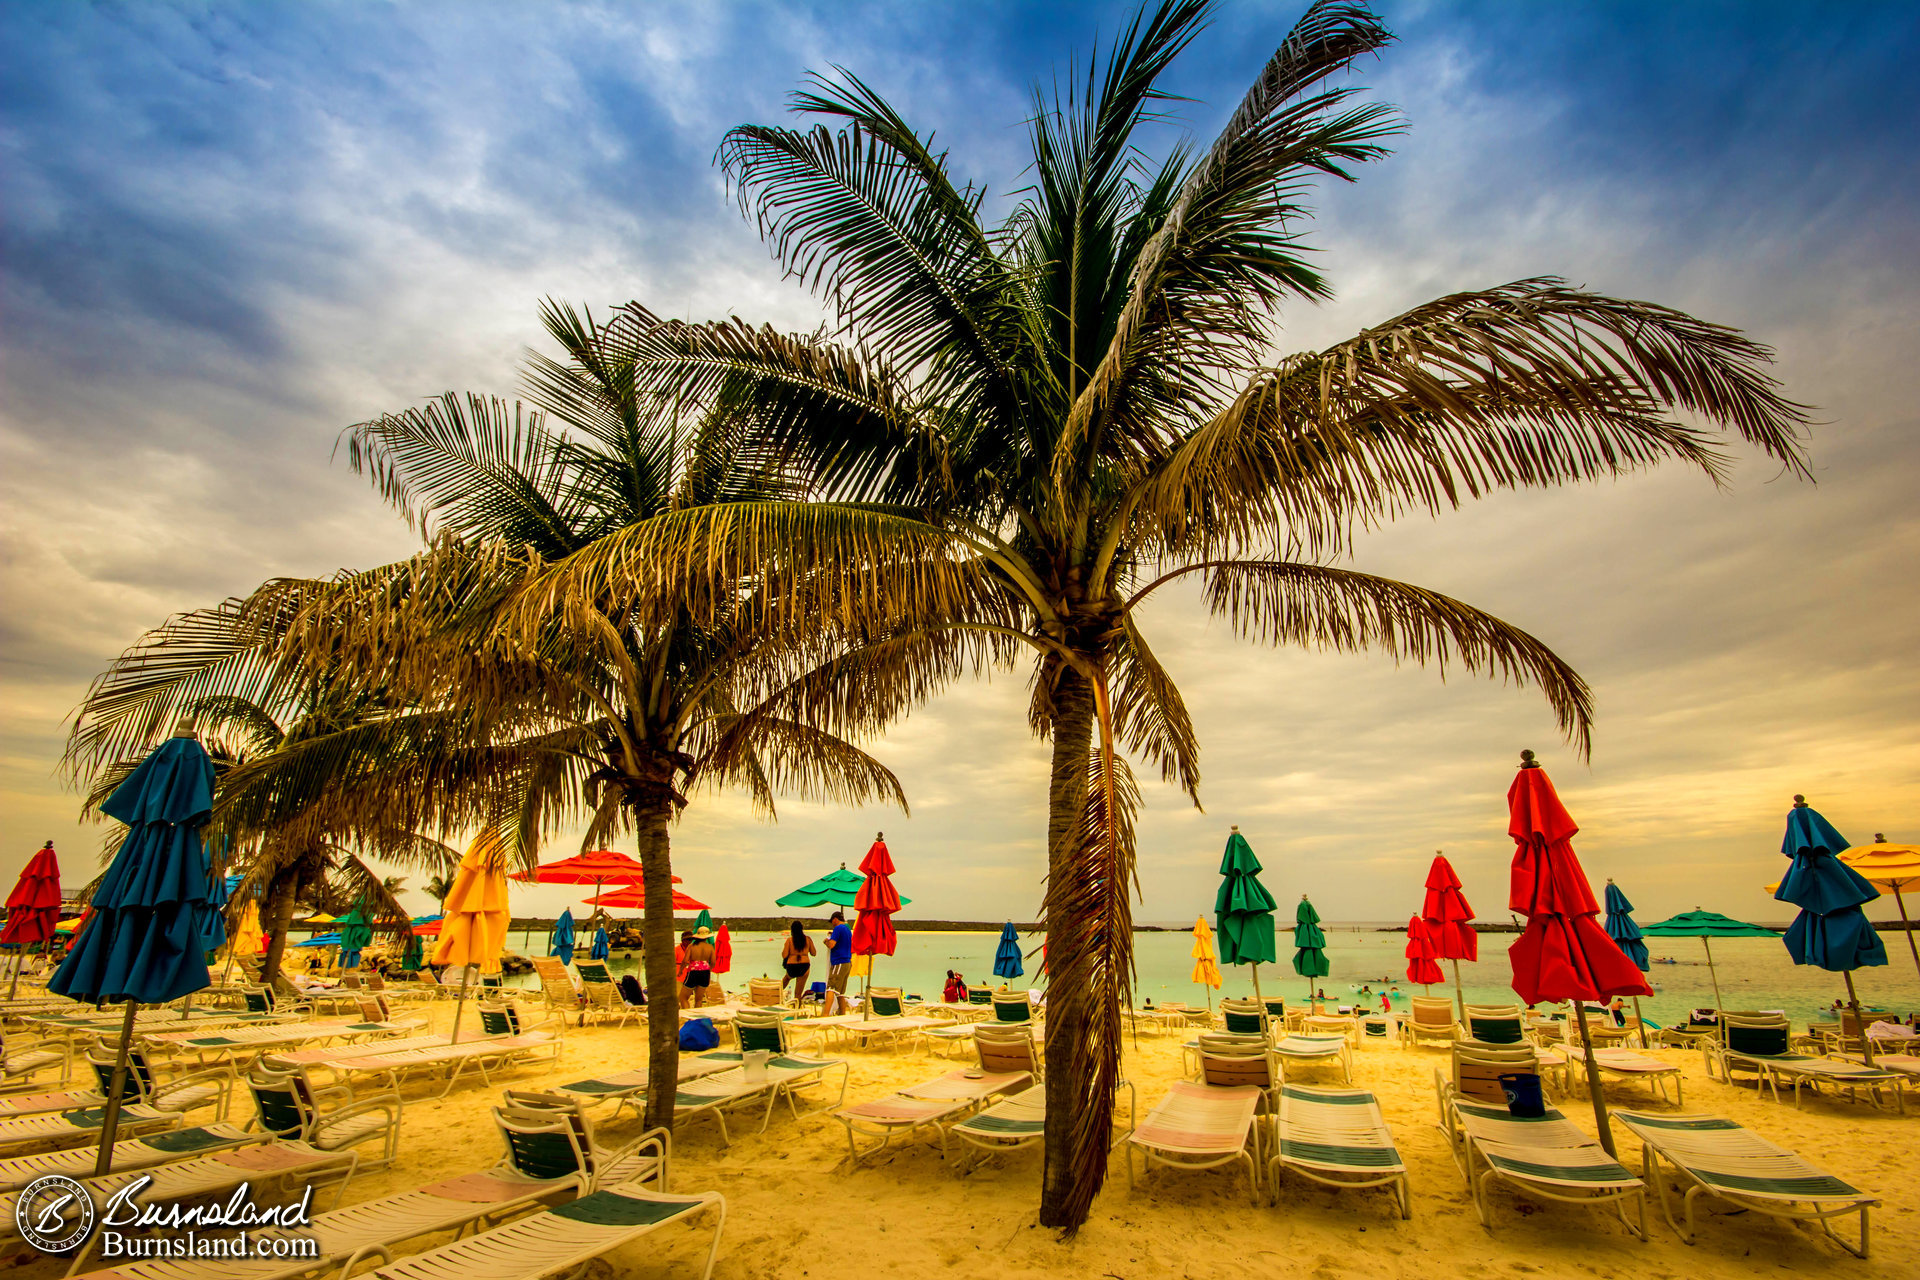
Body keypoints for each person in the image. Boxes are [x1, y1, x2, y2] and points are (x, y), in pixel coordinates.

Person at [824, 910, 854, 1014]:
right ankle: (842, 1013)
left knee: (830, 988)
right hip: (847, 962)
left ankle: (825, 1015)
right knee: (840, 992)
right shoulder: (847, 929)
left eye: (832, 921)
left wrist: (826, 941)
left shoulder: (838, 928)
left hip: (839, 962)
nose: (832, 924)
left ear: (835, 919)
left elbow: (832, 945)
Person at [680, 926, 716, 1008]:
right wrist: (708, 969)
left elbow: (685, 961)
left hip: (693, 971)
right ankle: (697, 1019)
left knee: (683, 998)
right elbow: (713, 962)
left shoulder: (692, 946)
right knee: (699, 1000)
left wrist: (680, 971)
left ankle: (688, 1016)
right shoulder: (710, 947)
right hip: (705, 972)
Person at [780, 921, 815, 1005]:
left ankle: (774, 997)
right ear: (802, 929)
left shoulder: (789, 940)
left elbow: (784, 955)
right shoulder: (808, 939)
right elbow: (814, 953)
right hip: (804, 965)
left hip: (792, 966)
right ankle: (797, 1011)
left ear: (792, 930)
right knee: (798, 994)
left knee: (786, 980)